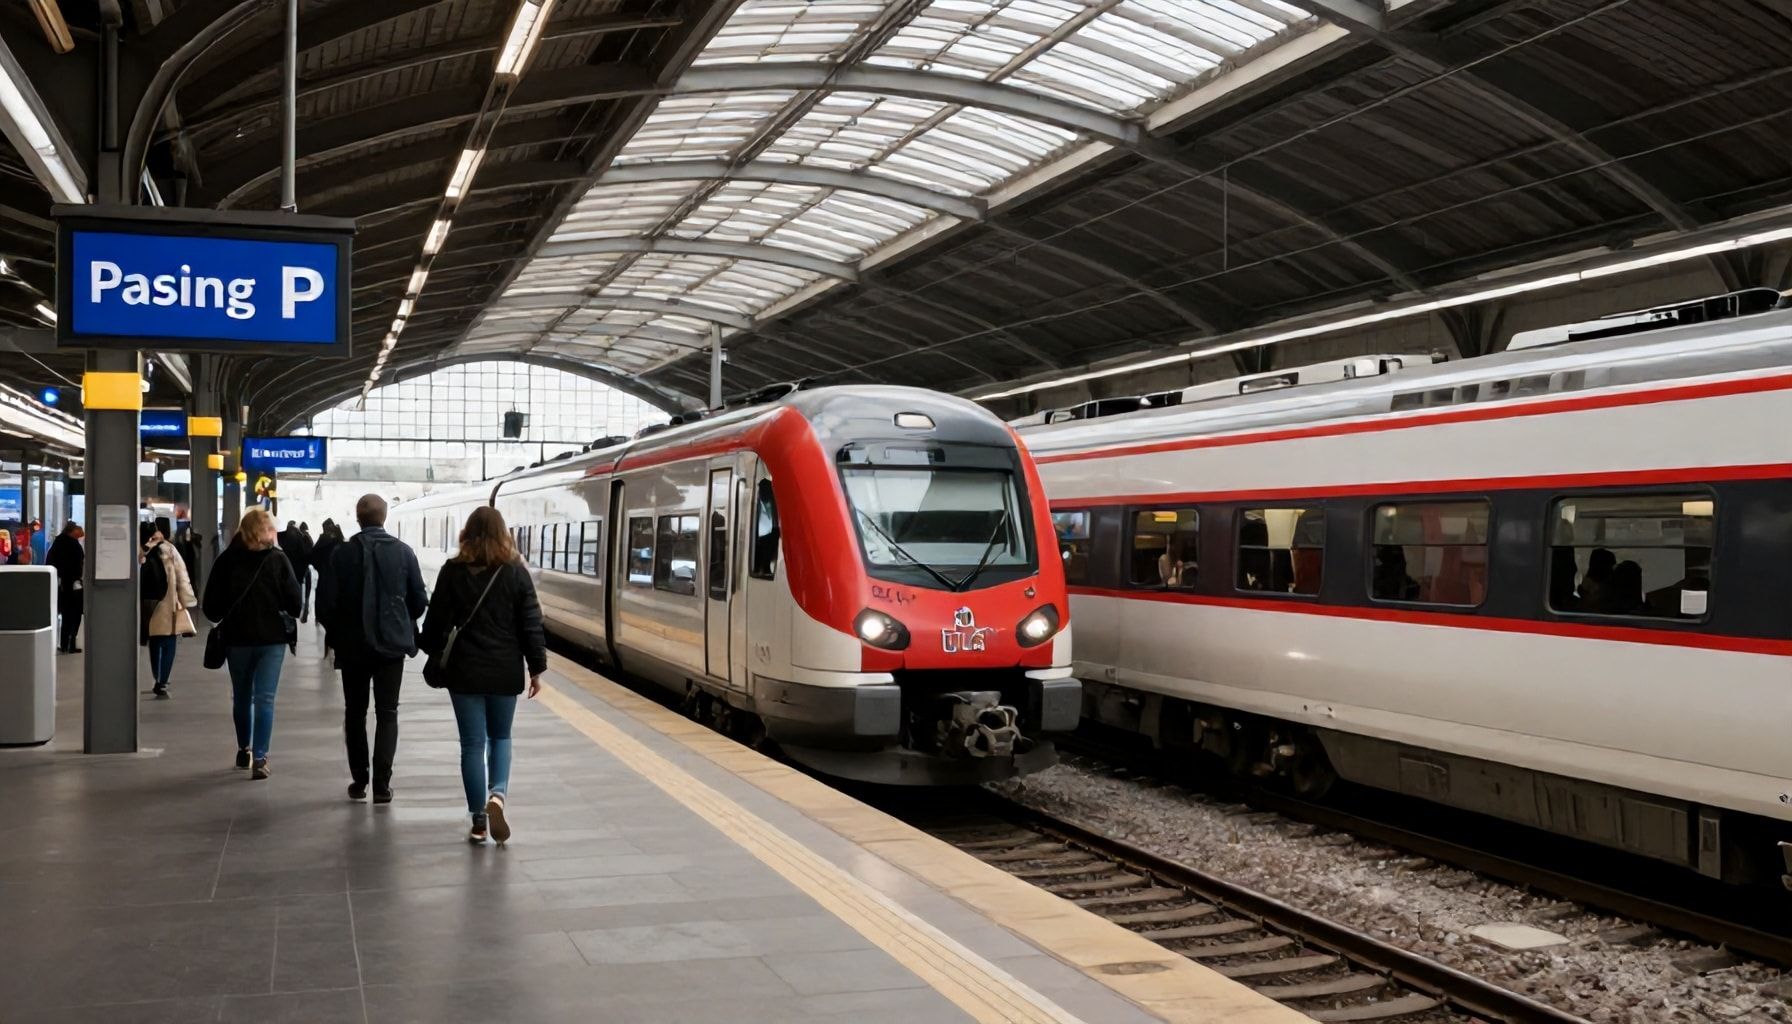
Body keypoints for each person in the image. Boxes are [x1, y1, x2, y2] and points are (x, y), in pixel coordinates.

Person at [420, 506, 546, 845]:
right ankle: (498, 796)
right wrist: (536, 669)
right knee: (500, 737)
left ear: (467, 534)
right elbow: (531, 624)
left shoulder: (452, 571)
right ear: (503, 533)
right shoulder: (515, 573)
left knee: (471, 745)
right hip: (505, 669)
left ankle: (478, 820)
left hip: (464, 671)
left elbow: (434, 624)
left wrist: (426, 647)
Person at [317, 495, 427, 804]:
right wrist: (400, 621)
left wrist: (339, 632)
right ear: (384, 516)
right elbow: (418, 600)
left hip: (352, 647)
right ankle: (382, 785)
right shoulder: (404, 553)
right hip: (391, 649)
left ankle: (359, 780)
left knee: (355, 712)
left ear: (358, 517)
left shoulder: (342, 554)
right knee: (387, 712)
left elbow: (325, 603)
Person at [203, 508, 301, 780]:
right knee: (265, 699)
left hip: (237, 639)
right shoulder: (278, 560)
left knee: (242, 697)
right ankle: (260, 758)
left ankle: (243, 749)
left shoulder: (226, 561)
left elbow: (211, 608)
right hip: (272, 640)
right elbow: (295, 604)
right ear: (265, 531)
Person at [140, 523, 198, 698]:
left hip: (148, 605)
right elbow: (182, 576)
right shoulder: (170, 550)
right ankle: (162, 680)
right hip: (167, 604)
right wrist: (188, 600)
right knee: (168, 642)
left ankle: (156, 676)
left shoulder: (143, 550)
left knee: (154, 642)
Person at [46, 522, 84, 653]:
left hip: (60, 585)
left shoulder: (57, 544)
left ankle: (63, 644)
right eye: (79, 530)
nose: (82, 533)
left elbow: (49, 562)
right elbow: (79, 564)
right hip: (73, 585)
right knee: (75, 615)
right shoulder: (73, 545)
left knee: (66, 614)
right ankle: (71, 644)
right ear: (73, 531)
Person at [278, 521, 316, 623]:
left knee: (287, 596)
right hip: (300, 570)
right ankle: (301, 608)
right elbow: (310, 553)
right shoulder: (302, 537)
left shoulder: (283, 538)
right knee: (297, 592)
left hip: (288, 571)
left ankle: (291, 613)